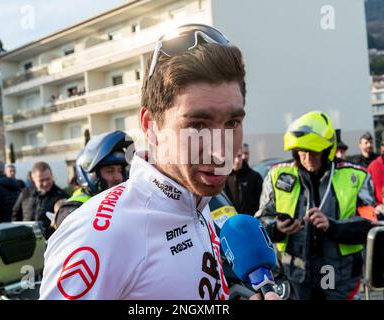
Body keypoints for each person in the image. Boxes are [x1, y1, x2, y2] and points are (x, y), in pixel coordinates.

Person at [40, 23, 279, 300]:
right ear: (150, 126)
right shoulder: (98, 234)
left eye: (232, 122)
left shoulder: (197, 201)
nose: (220, 153)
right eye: (198, 126)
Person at [257, 111, 376, 300]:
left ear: (327, 149)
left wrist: (332, 226)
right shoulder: (276, 175)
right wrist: (277, 227)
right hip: (295, 275)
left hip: (339, 277)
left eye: (314, 151)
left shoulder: (357, 177)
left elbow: (369, 225)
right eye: (302, 151)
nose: (307, 157)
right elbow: (260, 222)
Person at [54, 130, 133, 228]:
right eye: (109, 171)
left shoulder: (126, 202)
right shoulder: (72, 210)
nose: (119, 177)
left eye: (120, 170)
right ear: (91, 175)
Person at [12, 162, 69, 239]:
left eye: (48, 179)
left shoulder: (61, 195)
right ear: (33, 178)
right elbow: (15, 215)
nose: (45, 183)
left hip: (51, 242)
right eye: (41, 180)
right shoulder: (25, 193)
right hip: (27, 241)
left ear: (52, 175)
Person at [224, 147, 263, 215]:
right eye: (233, 156)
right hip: (231, 223)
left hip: (251, 222)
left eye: (239, 156)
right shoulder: (223, 178)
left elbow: (263, 204)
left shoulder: (255, 177)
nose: (237, 160)